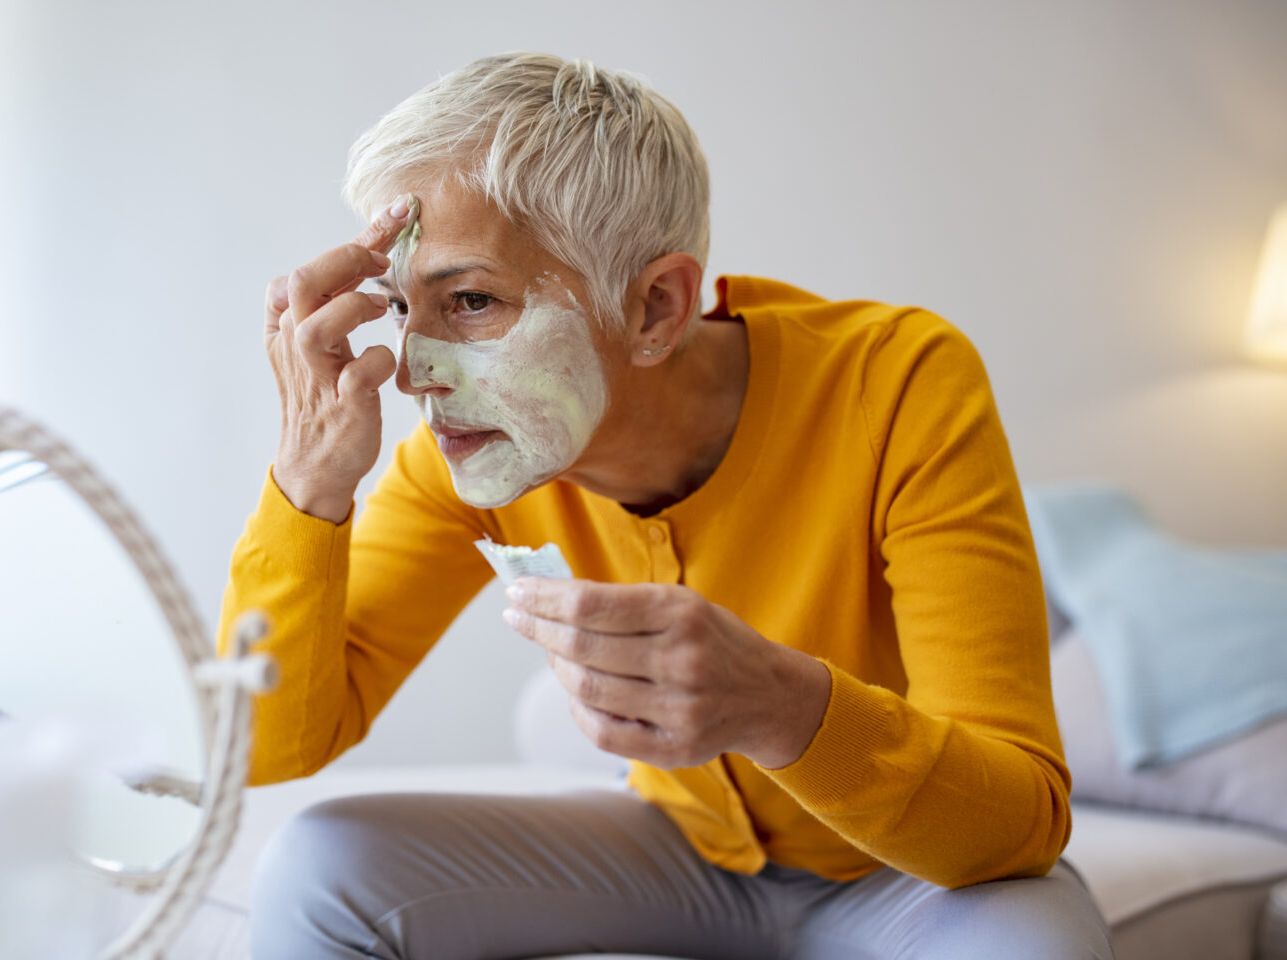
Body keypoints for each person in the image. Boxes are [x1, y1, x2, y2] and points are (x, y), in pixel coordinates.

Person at [217, 52, 1115, 959]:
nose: (413, 373)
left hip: (910, 880)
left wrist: (783, 708)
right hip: (680, 853)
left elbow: (1018, 826)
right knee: (318, 865)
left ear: (655, 308)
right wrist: (309, 480)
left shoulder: (896, 383)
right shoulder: (470, 461)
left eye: (472, 300)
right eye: (402, 309)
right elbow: (262, 748)